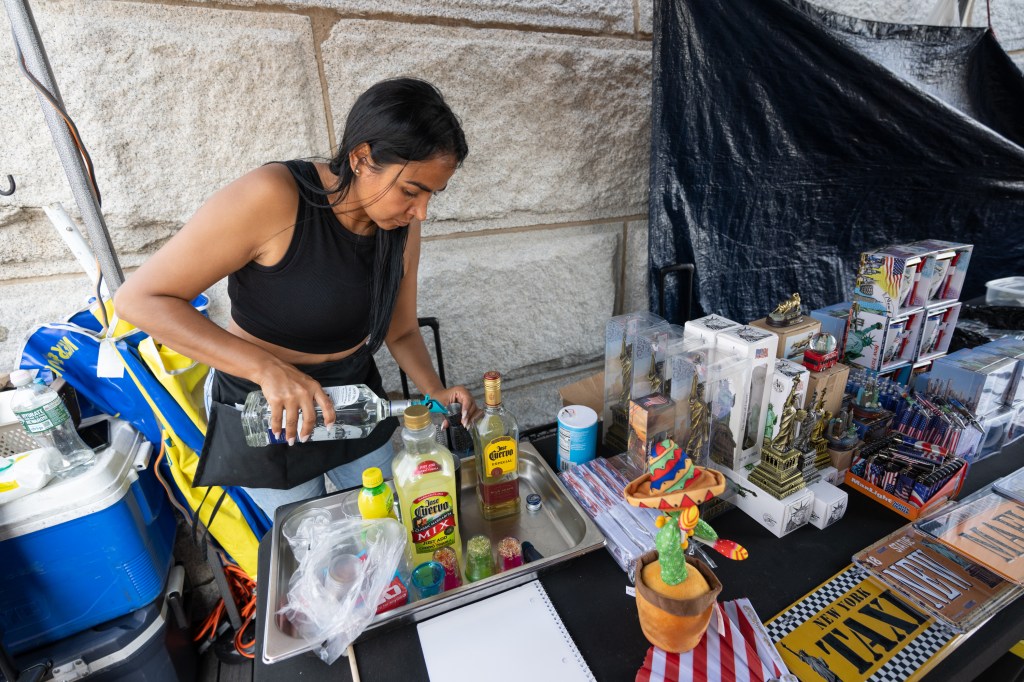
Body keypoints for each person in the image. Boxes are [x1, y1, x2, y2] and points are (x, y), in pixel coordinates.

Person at [115, 78, 479, 519]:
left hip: (354, 400)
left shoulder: (402, 223)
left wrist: (434, 389)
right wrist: (267, 370)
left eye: (430, 196)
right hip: (265, 408)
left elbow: (400, 328)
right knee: (311, 547)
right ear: (362, 158)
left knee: (387, 523)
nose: (421, 212)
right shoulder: (275, 197)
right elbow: (140, 299)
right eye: (411, 191)